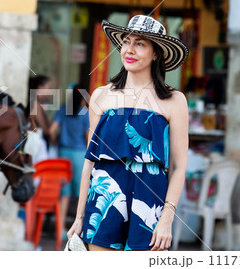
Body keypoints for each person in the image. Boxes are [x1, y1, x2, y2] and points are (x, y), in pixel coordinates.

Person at [67, 15, 189, 251]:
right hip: (104, 203)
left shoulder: (174, 101)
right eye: (126, 42)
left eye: (140, 44)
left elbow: (178, 167)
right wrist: (80, 217)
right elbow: (90, 162)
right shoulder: (101, 96)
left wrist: (167, 219)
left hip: (150, 205)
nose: (129, 50)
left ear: (156, 54)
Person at [49, 84, 89, 238]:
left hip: (62, 154)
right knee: (81, 193)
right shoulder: (85, 113)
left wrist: (55, 141)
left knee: (64, 193)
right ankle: (79, 231)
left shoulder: (63, 109)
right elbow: (87, 138)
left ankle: (60, 231)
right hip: (79, 155)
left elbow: (52, 130)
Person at [26, 75, 52, 164]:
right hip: (36, 141)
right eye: (49, 88)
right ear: (40, 87)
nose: (50, 91)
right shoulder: (35, 103)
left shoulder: (35, 102)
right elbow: (45, 129)